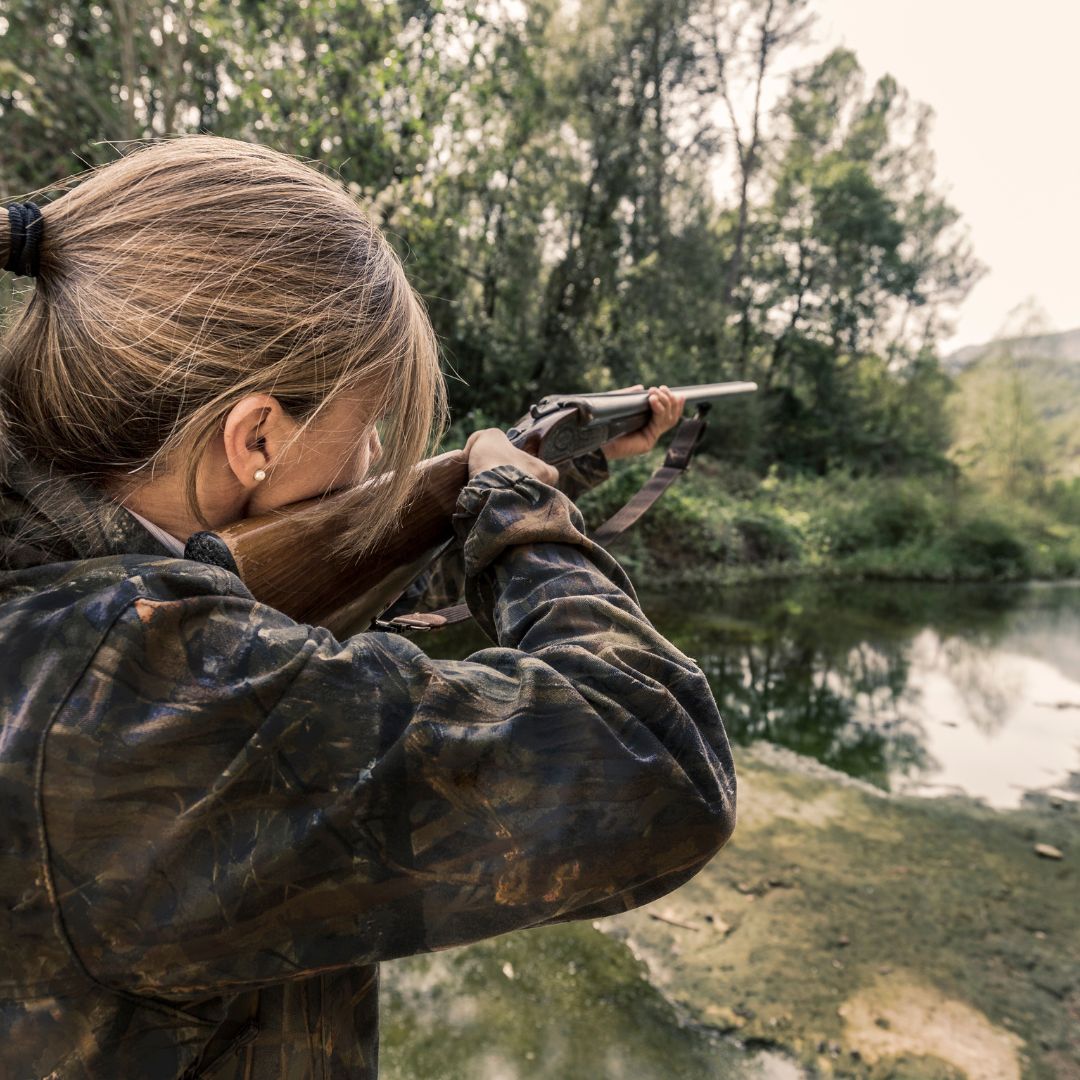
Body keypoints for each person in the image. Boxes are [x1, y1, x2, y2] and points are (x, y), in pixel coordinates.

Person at [0, 136, 736, 1079]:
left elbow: (340, 592)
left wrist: (559, 464)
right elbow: (660, 757)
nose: (375, 463)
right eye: (371, 425)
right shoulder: (151, 690)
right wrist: (519, 507)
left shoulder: (63, 597)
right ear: (255, 435)